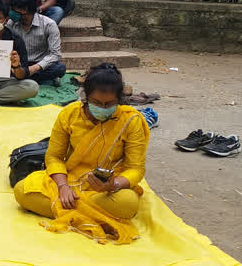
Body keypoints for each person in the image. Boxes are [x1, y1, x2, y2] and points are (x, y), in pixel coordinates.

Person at [13, 64, 151, 245]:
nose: (103, 108)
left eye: (109, 104)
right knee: (22, 190)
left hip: (107, 188)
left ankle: (75, 214)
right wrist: (62, 187)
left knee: (128, 203)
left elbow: (136, 169)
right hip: (69, 182)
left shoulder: (130, 121)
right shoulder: (70, 114)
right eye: (96, 102)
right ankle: (99, 218)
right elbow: (54, 156)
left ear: (119, 100)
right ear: (86, 97)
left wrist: (113, 185)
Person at [6, 0, 67, 85]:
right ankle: (36, 79)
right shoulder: (11, 23)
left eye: (14, 9)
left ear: (25, 10)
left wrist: (34, 68)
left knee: (60, 68)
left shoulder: (49, 24)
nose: (11, 12)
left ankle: (24, 78)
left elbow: (55, 54)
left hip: (39, 64)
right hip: (19, 64)